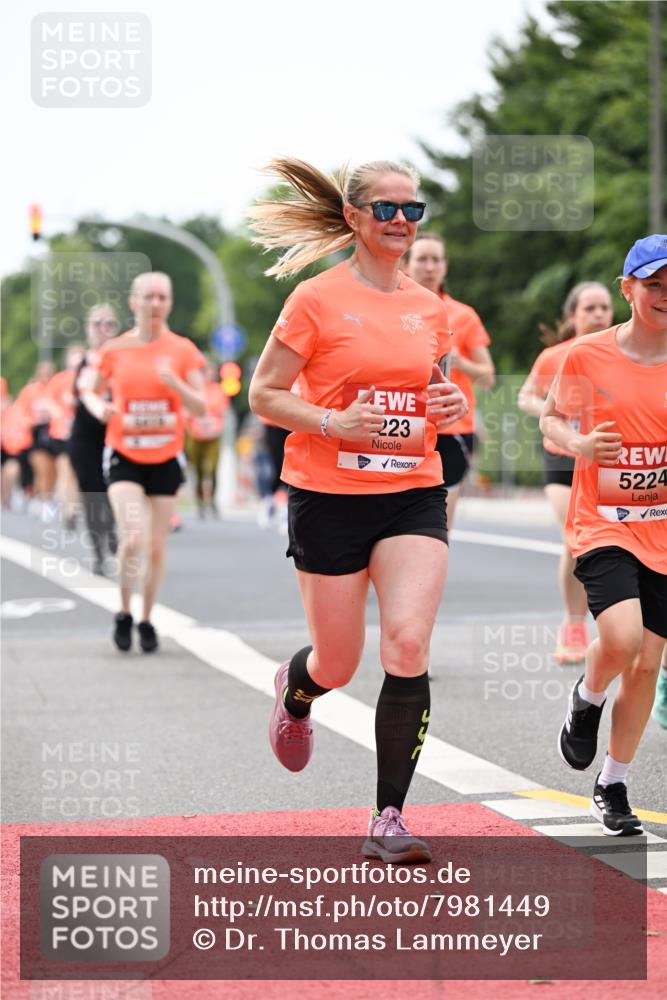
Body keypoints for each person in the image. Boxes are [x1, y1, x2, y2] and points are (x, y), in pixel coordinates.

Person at [248, 157, 468, 862]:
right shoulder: (315, 299)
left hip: (411, 491)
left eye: (413, 210)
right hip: (327, 497)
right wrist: (328, 423)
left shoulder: (430, 309)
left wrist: (451, 404)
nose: (401, 221)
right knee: (337, 663)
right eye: (387, 209)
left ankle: (388, 818)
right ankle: (296, 691)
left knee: (405, 644)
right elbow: (265, 394)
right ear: (353, 217)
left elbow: (434, 391)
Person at [541, 235, 667, 836]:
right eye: (654, 284)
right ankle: (587, 698)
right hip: (603, 523)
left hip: (663, 529)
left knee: (645, 665)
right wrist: (581, 445)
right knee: (622, 636)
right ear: (628, 288)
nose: (664, 295)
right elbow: (551, 418)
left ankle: (612, 782)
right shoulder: (587, 356)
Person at [84, 273, 205, 652]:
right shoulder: (115, 350)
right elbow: (89, 390)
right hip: (124, 452)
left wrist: (176, 386)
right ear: (133, 302)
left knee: (155, 546)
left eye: (162, 297)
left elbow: (201, 405)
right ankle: (123, 610)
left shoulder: (183, 350)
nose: (155, 303)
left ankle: (148, 618)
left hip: (166, 456)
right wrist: (99, 407)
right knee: (133, 537)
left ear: (169, 303)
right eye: (148, 296)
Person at [518, 283, 614, 664]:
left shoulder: (621, 352)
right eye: (589, 307)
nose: (598, 314)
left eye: (604, 307)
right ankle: (573, 625)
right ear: (572, 315)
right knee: (575, 538)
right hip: (562, 458)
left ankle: (617, 626)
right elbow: (525, 396)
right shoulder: (554, 356)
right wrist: (552, 409)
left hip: (606, 459)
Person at [404, 233, 495, 526]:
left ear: (445, 266)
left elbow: (488, 377)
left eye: (436, 260)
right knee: (397, 516)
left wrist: (458, 361)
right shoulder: (392, 308)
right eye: (422, 259)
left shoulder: (463, 316)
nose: (429, 267)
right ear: (406, 264)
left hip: (451, 427)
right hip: (403, 424)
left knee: (438, 520)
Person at [70, 304, 120, 575]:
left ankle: (112, 531)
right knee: (91, 493)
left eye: (108, 324)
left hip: (115, 434)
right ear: (89, 329)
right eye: (97, 323)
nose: (103, 329)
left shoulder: (124, 356)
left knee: (112, 488)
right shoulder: (83, 361)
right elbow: (74, 396)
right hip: (85, 436)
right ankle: (99, 552)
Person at [46, 342, 86, 529]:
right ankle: (68, 510)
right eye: (74, 355)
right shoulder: (60, 379)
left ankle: (74, 508)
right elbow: (48, 401)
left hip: (81, 431)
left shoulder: (87, 378)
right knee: (65, 470)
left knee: (77, 473)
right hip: (62, 432)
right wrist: (58, 412)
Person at [185, 360, 228, 518]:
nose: (209, 376)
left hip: (213, 435)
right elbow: (186, 411)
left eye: (211, 373)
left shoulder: (218, 391)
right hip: (195, 434)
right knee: (198, 470)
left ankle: (213, 500)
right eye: (206, 373)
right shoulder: (192, 390)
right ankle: (200, 502)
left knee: (212, 468)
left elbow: (222, 411)